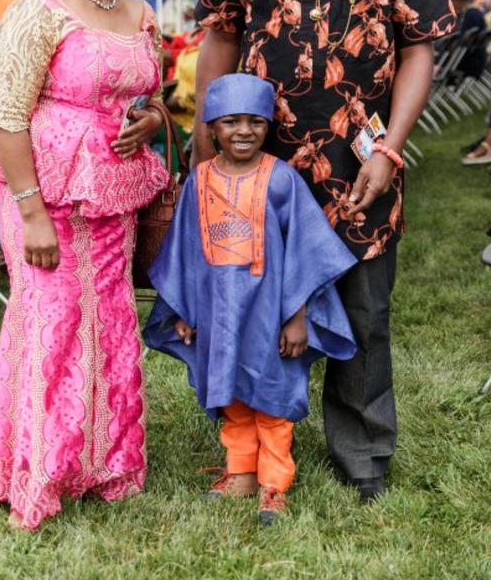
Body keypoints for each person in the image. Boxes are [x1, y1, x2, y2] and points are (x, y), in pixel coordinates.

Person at [193, 0, 456, 503]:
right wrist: (200, 148)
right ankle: (253, 445)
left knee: (365, 310)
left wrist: (390, 149)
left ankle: (363, 455)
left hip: (360, 164)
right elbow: (218, 33)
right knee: (253, 304)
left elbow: (421, 48)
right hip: (259, 164)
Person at [0, 0, 170, 531]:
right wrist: (30, 213)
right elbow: (9, 117)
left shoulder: (142, 14)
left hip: (112, 194)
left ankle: (105, 464)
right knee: (52, 325)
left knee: (109, 324)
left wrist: (150, 120)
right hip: (42, 193)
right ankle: (39, 469)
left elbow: (152, 95)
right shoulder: (39, 9)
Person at [144, 74, 356, 524]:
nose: (244, 131)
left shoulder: (281, 181)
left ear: (268, 126)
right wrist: (183, 310)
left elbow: (303, 253)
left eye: (255, 122)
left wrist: (296, 317)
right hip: (217, 313)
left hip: (269, 313)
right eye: (231, 121)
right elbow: (183, 252)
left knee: (273, 399)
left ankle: (274, 484)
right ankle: (240, 472)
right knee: (232, 395)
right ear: (211, 128)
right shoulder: (199, 182)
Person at [445, 0, 487, 79]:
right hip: (474, 63)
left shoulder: (469, 16)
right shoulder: (474, 13)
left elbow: (457, 44)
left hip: (460, 64)